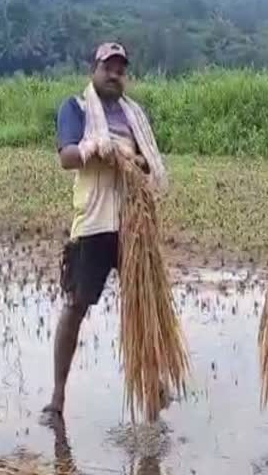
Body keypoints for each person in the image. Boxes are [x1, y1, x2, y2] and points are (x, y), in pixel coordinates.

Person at [43, 42, 168, 415]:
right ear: (93, 70)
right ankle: (58, 395)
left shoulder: (135, 117)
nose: (114, 75)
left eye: (120, 69)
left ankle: (152, 385)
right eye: (107, 67)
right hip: (94, 225)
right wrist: (97, 147)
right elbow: (67, 158)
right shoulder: (77, 109)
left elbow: (148, 164)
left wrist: (130, 157)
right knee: (76, 305)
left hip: (133, 225)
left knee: (144, 305)